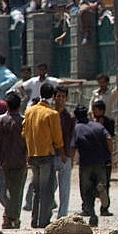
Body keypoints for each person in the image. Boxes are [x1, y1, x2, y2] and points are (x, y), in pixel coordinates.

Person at [22, 83, 66, 228]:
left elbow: (24, 133)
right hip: (46, 156)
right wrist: (62, 154)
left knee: (36, 189)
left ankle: (34, 220)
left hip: (32, 155)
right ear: (53, 96)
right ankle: (44, 221)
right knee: (47, 189)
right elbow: (57, 138)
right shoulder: (52, 114)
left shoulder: (29, 111)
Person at [71, 104, 111, 227]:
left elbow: (73, 147)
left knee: (86, 192)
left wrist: (71, 162)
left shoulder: (77, 128)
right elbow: (109, 138)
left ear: (76, 117)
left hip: (86, 164)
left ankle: (93, 216)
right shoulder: (98, 125)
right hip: (101, 162)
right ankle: (101, 188)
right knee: (100, 184)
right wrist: (110, 156)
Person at [0, 92, 27, 229]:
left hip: (13, 163)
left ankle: (11, 219)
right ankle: (11, 216)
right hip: (6, 163)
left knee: (12, 192)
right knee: (10, 192)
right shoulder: (0, 120)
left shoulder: (24, 121)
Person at [52, 86, 74, 218]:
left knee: (65, 189)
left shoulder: (69, 117)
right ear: (54, 97)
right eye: (58, 96)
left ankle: (62, 215)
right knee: (50, 186)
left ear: (67, 98)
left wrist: (70, 157)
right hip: (50, 155)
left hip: (65, 156)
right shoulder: (49, 114)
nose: (60, 99)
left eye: (63, 97)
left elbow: (72, 137)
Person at [91, 99, 115, 217]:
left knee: (105, 184)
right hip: (93, 158)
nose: (93, 112)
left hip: (105, 158)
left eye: (95, 110)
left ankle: (104, 208)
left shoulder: (109, 122)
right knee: (91, 184)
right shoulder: (90, 123)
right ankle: (89, 208)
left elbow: (109, 138)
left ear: (101, 111)